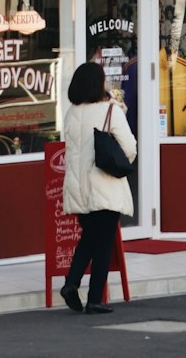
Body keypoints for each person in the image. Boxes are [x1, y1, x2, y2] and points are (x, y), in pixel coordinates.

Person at [60, 60, 136, 315]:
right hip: (103, 184)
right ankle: (94, 299)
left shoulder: (71, 113)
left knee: (89, 238)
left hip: (78, 186)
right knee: (103, 243)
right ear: (98, 84)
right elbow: (129, 147)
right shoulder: (110, 111)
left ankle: (71, 283)